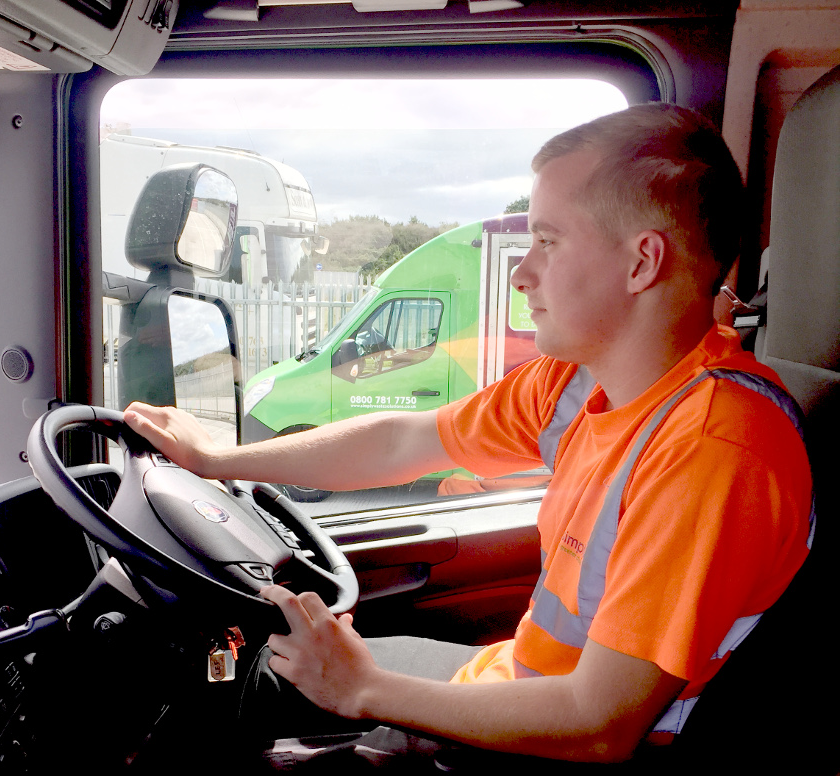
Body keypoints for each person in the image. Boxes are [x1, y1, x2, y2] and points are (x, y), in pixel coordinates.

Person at [124, 103, 812, 764]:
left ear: (642, 263)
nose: (522, 273)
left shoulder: (713, 449)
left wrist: (364, 689)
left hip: (566, 753)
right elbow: (405, 442)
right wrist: (219, 459)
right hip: (521, 682)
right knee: (256, 683)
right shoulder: (578, 384)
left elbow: (600, 726)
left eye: (547, 241)